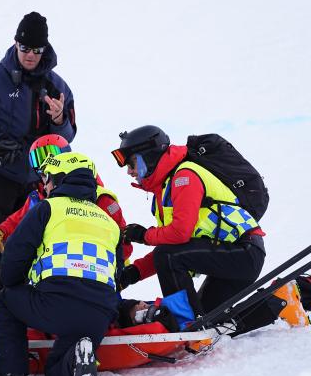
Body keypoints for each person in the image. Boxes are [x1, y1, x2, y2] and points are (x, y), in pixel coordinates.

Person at [111, 125, 305, 334]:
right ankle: (279, 301)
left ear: (149, 157)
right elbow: (170, 246)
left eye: (132, 164)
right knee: (211, 322)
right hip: (233, 255)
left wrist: (143, 235)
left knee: (190, 309)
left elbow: (178, 235)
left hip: (243, 251)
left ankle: (185, 324)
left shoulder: (184, 176)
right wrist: (134, 273)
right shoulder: (167, 188)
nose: (130, 172)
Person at [0, 11, 77, 302]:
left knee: (31, 239)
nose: (30, 55)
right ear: (15, 44)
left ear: (44, 49)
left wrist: (59, 117)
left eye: (36, 50)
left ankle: (21, 299)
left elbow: (69, 135)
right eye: (25, 48)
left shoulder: (58, 87)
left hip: (39, 179)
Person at [0, 152, 121, 376]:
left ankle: (12, 375)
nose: (45, 185)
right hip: (100, 313)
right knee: (56, 373)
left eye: (48, 178)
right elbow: (117, 275)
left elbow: (13, 259)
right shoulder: (109, 222)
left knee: (5, 300)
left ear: (61, 179)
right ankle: (77, 356)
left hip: (56, 304)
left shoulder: (47, 208)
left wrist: (19, 287)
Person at [0, 134, 133, 304]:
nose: (46, 162)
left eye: (51, 155)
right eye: (39, 158)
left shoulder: (101, 199)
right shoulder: (40, 197)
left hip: (94, 269)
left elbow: (122, 244)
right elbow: (17, 221)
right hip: (53, 264)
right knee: (3, 253)